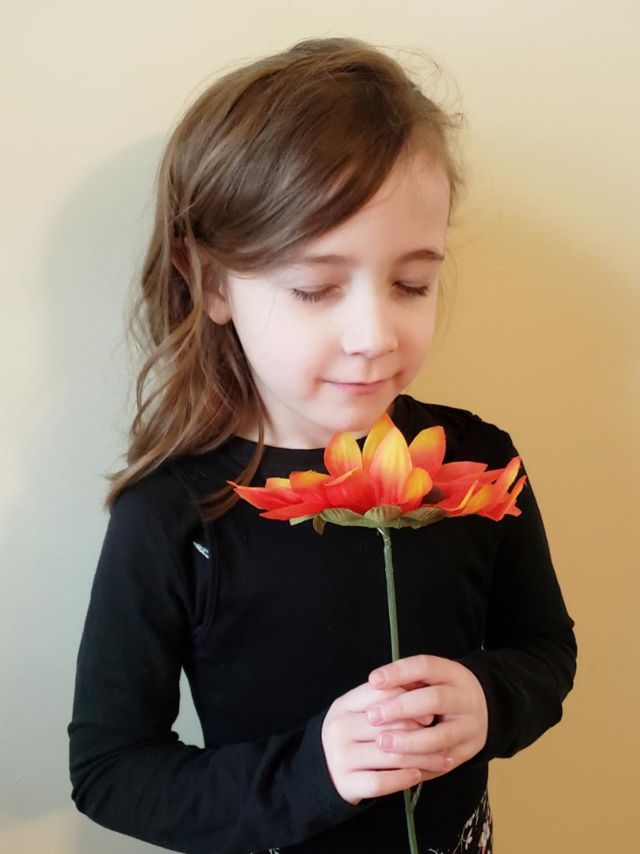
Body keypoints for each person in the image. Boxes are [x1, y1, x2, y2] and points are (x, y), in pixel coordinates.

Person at [67, 37, 577, 854]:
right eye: (314, 287)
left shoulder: (479, 460)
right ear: (211, 282)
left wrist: (489, 700)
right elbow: (110, 770)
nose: (375, 335)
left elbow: (545, 650)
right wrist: (311, 774)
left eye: (412, 283)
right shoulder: (171, 513)